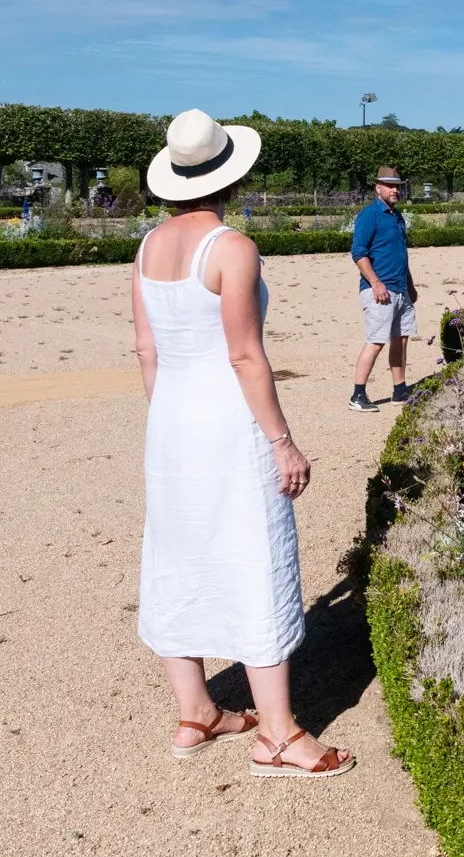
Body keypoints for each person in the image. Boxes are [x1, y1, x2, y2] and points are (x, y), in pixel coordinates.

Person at [132, 109, 354, 778]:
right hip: (228, 425)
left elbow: (147, 348)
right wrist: (283, 441)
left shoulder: (147, 245)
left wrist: (170, 419)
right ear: (229, 174)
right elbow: (246, 355)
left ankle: (196, 711)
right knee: (255, 552)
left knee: (178, 552)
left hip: (170, 420)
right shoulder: (231, 246)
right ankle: (279, 735)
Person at [348, 165, 418, 412]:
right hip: (379, 290)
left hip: (400, 289)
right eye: (389, 186)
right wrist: (376, 283)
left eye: (397, 186)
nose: (394, 190)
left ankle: (400, 390)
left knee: (401, 339)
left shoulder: (397, 217)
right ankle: (358, 394)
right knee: (376, 341)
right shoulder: (370, 215)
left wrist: (410, 285)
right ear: (378, 188)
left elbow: (401, 254)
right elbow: (358, 253)